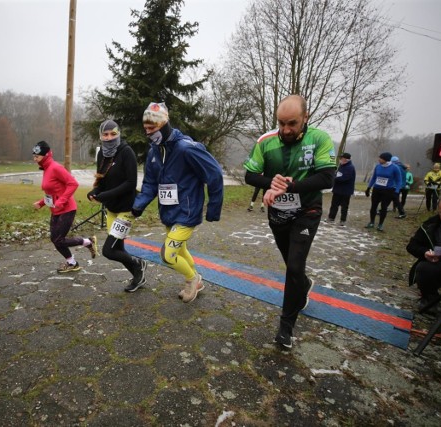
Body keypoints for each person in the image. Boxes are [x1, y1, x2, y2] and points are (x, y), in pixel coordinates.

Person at [244, 94, 336, 349]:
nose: (285, 129)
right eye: (281, 123)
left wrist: (291, 186)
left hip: (307, 211)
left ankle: (286, 328)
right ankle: (304, 285)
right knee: (292, 266)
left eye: (292, 123)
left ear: (305, 118)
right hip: (278, 215)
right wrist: (270, 183)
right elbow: (250, 176)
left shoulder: (319, 139)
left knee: (294, 267)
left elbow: (327, 178)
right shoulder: (266, 141)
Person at [131, 102, 224, 303]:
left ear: (164, 124)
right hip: (168, 213)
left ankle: (192, 279)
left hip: (187, 212)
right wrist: (138, 205)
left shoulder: (186, 149)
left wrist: (213, 208)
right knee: (180, 250)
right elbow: (149, 184)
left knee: (168, 254)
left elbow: (214, 174)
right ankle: (196, 280)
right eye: (146, 128)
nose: (149, 133)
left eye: (152, 128)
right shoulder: (154, 151)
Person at [87, 120, 147, 292]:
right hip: (111, 209)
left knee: (108, 250)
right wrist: (95, 191)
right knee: (118, 247)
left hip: (127, 209)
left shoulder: (126, 152)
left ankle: (138, 265)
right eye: (105, 134)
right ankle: (138, 275)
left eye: (113, 134)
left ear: (119, 134)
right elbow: (102, 182)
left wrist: (104, 195)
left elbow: (131, 182)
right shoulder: (102, 155)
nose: (109, 137)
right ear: (100, 136)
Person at [31, 140, 97, 273]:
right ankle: (72, 262)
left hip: (67, 209)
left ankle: (88, 242)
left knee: (58, 239)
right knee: (55, 240)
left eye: (37, 156)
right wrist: (41, 203)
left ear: (46, 155)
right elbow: (52, 191)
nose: (34, 159)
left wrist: (61, 201)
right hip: (55, 210)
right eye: (34, 156)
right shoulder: (46, 168)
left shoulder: (55, 167)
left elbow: (73, 183)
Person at [364, 152, 402, 231]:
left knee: (384, 207)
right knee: (373, 206)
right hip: (377, 189)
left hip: (388, 190)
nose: (379, 159)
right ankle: (371, 222)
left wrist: (397, 191)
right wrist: (368, 188)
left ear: (386, 159)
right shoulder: (378, 166)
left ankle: (380, 224)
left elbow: (399, 181)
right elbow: (374, 178)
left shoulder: (395, 168)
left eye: (380, 158)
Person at [325, 152, 355, 226]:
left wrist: (334, 178)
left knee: (344, 207)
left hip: (346, 191)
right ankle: (331, 218)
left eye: (341, 158)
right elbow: (337, 174)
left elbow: (344, 178)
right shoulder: (341, 166)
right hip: (337, 190)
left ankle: (343, 220)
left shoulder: (350, 167)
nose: (340, 160)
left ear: (345, 159)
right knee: (334, 205)